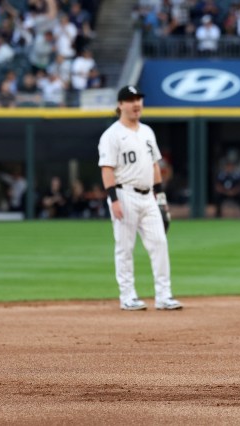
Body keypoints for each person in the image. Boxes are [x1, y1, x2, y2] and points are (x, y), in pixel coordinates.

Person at [98, 85, 182, 311]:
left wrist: (160, 196)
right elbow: (107, 169)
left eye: (138, 99)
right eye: (131, 99)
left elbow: (155, 165)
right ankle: (128, 296)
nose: (136, 104)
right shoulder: (112, 135)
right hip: (124, 194)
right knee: (125, 248)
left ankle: (164, 296)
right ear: (120, 105)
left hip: (149, 197)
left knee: (160, 244)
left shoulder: (147, 132)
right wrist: (113, 199)